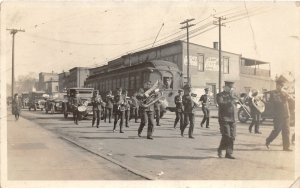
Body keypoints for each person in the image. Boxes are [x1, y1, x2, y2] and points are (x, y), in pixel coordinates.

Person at [265, 75, 294, 151]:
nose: (280, 87)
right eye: (279, 85)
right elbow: (276, 102)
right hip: (278, 115)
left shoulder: (285, 93)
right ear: (277, 85)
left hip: (286, 114)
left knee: (286, 131)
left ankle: (286, 147)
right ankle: (268, 140)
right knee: (277, 130)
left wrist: (290, 97)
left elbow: (292, 102)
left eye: (282, 86)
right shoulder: (273, 93)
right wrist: (284, 96)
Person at [216, 81, 237, 159]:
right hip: (224, 118)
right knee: (226, 136)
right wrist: (230, 100)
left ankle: (228, 153)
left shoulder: (233, 95)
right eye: (230, 87)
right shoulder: (220, 95)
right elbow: (221, 103)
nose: (231, 89)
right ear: (225, 87)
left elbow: (240, 101)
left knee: (232, 136)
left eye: (232, 88)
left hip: (233, 118)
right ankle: (220, 149)